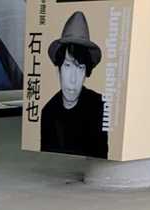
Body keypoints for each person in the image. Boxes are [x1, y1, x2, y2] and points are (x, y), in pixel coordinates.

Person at [40, 11, 108, 158]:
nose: (73, 79)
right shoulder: (48, 112)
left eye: (80, 68)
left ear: (86, 73)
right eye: (67, 66)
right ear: (58, 70)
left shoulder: (100, 106)